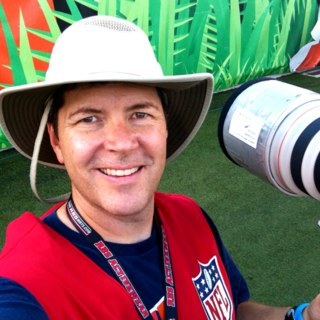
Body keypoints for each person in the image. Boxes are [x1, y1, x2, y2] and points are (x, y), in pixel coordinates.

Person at [0, 15, 319, 320]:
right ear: (56, 140)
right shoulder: (25, 282)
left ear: (164, 128)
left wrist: (303, 316)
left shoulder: (188, 215)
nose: (122, 142)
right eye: (89, 119)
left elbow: (233, 311)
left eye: (140, 114)